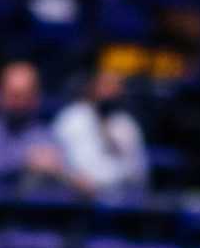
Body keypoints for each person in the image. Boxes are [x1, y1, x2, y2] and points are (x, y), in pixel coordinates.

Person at [52, 69, 150, 198]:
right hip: (74, 197)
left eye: (115, 86)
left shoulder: (127, 125)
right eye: (105, 85)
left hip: (118, 199)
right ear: (92, 86)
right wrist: (72, 178)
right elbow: (55, 159)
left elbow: (138, 171)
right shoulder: (71, 118)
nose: (109, 91)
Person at [0, 62, 69, 183]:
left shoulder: (47, 136)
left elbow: (62, 173)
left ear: (36, 98)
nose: (18, 103)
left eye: (24, 95)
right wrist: (26, 161)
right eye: (13, 95)